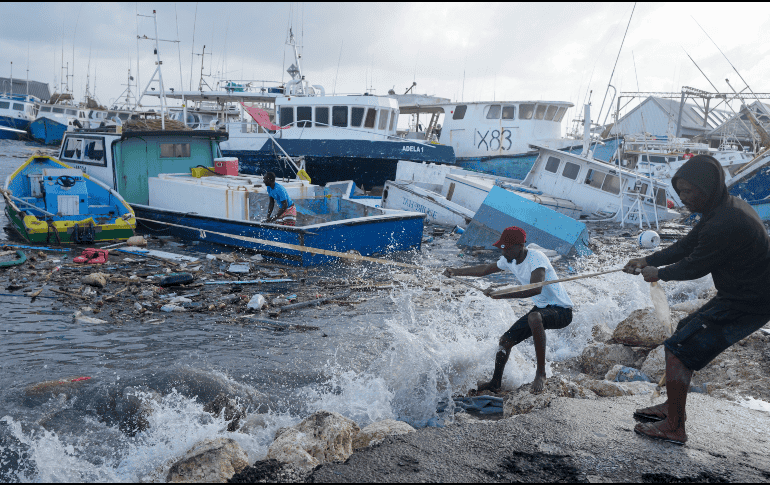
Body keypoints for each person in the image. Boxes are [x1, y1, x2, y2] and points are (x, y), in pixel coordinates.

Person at [624, 154, 770, 446]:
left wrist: (658, 273)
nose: (683, 199)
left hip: (751, 302)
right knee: (683, 331)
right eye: (680, 193)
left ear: (707, 187)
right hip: (741, 294)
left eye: (688, 192)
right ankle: (671, 408)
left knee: (678, 349)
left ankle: (675, 427)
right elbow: (686, 246)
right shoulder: (722, 209)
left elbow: (694, 266)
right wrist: (647, 259)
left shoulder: (724, 222)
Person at [443, 226, 574, 393]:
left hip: (561, 311)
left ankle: (541, 373)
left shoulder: (536, 258)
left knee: (534, 317)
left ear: (521, 245)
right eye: (502, 248)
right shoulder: (509, 259)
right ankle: (495, 383)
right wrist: (456, 271)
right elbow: (484, 269)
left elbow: (535, 289)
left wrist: (501, 294)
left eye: (508, 248)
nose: (504, 252)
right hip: (542, 308)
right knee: (505, 342)